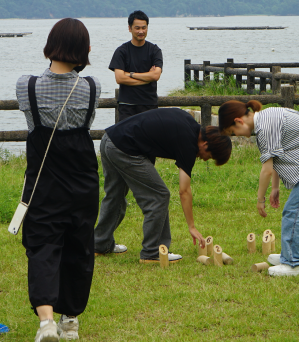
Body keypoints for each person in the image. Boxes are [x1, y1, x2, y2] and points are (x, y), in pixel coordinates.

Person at [16, 18, 101, 342]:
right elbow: (87, 123)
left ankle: (46, 321)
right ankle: (71, 320)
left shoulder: (26, 85)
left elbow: (31, 120)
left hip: (44, 181)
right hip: (83, 179)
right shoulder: (92, 87)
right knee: (79, 245)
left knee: (42, 245)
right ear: (84, 50)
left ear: (51, 44)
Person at [218, 100, 299, 276]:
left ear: (238, 121)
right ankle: (289, 255)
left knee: (295, 211)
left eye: (233, 132)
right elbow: (277, 156)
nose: (238, 135)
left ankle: (295, 264)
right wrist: (275, 187)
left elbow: (266, 170)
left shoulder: (263, 128)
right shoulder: (267, 117)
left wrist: (260, 200)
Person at [93, 108, 232, 262]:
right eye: (210, 156)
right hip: (123, 148)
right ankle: (153, 252)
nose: (205, 159)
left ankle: (100, 244)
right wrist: (191, 226)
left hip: (109, 139)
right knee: (159, 195)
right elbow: (184, 191)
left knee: (115, 195)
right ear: (205, 144)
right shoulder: (189, 142)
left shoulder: (189, 123)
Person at [109, 10, 163, 123]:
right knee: (127, 139)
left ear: (147, 27)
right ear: (130, 28)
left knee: (149, 140)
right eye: (137, 28)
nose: (141, 31)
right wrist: (146, 79)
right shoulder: (121, 51)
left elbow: (156, 75)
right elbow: (119, 78)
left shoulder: (154, 50)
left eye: (144, 28)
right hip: (127, 106)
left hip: (149, 104)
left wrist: (130, 74)